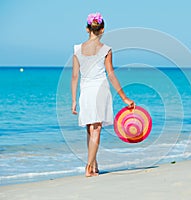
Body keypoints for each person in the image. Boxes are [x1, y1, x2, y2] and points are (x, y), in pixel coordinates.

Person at [71, 12, 135, 177]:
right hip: (100, 90)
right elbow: (111, 74)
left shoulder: (77, 49)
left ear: (87, 29)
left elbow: (74, 76)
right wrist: (124, 97)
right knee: (96, 129)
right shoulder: (106, 49)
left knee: (89, 127)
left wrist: (73, 100)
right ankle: (89, 166)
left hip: (85, 91)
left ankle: (94, 164)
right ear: (102, 29)